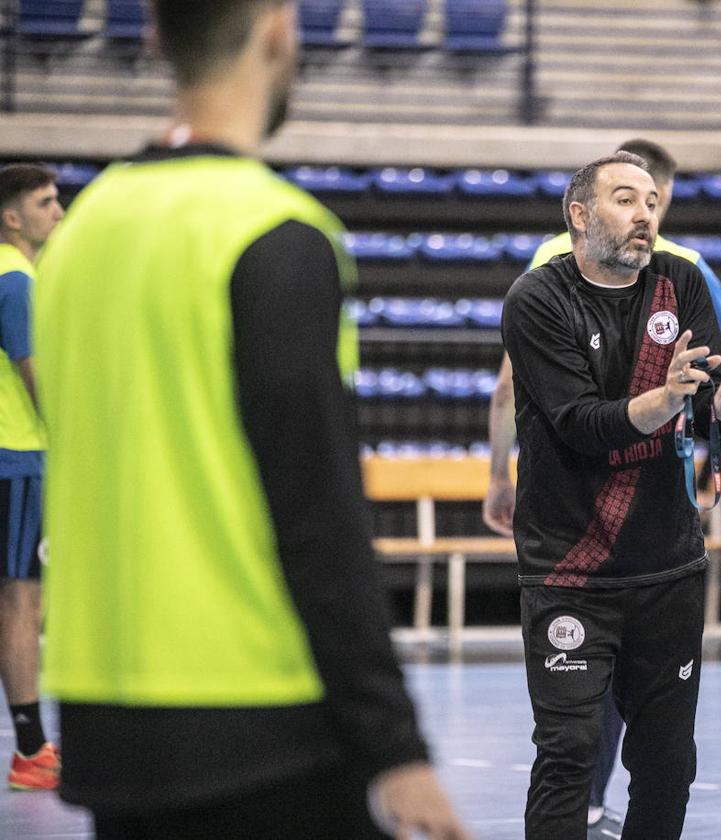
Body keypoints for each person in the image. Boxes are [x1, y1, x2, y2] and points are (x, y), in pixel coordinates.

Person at [31, 3, 468, 839]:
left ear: (158, 38)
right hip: (261, 715)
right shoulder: (274, 232)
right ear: (277, 31)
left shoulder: (79, 235)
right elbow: (319, 511)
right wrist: (395, 745)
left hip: (105, 716)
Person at [482, 137, 721, 840]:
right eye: (625, 200)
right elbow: (580, 424)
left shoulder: (680, 282)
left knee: (666, 763)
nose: (644, 214)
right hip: (571, 569)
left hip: (666, 569)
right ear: (580, 215)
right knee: (566, 753)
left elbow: (707, 404)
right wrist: (668, 398)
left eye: (652, 201)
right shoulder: (537, 298)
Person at [0, 163, 63, 792]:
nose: (60, 212)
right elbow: (35, 374)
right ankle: (30, 753)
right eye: (46, 202)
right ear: (12, 216)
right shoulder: (16, 281)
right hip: (14, 457)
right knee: (20, 600)